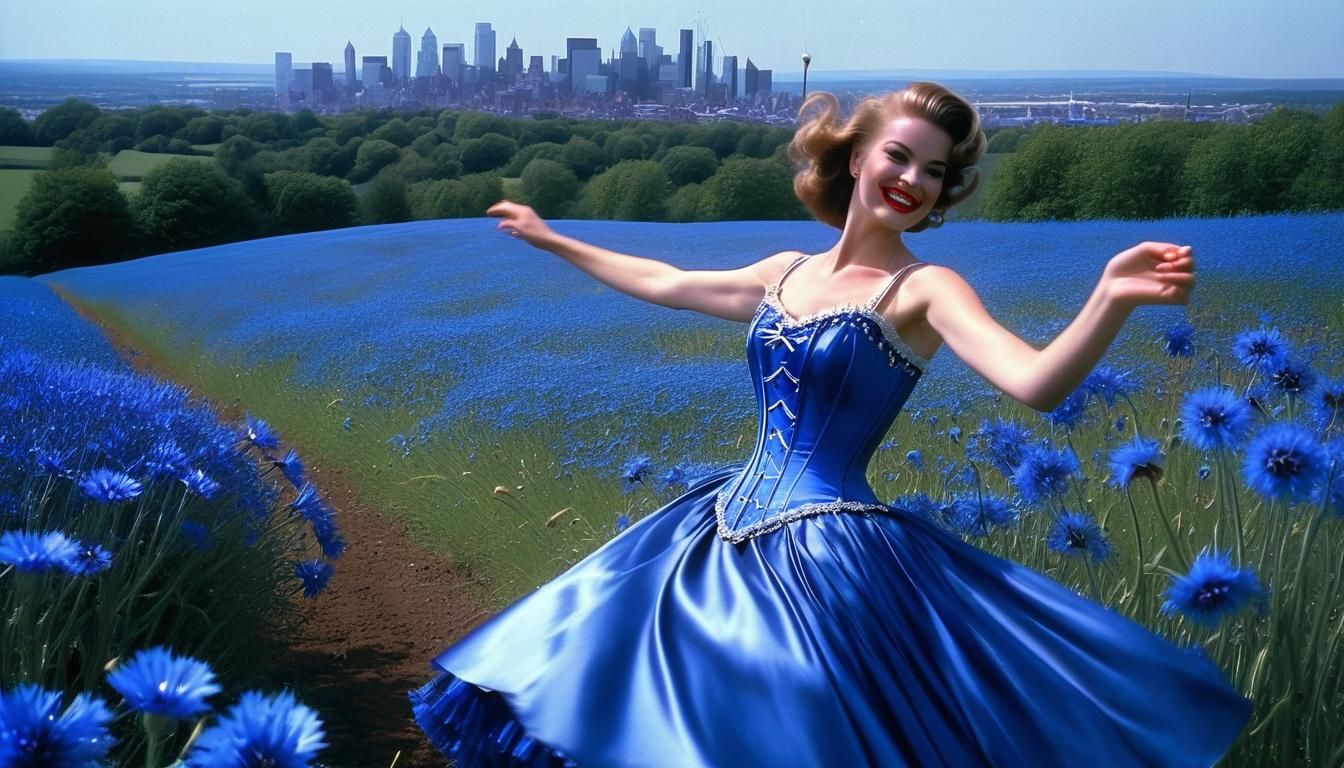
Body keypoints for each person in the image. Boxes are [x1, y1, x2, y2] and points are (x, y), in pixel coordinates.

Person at [409, 82, 1252, 767]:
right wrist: (554, 239)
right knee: (642, 703)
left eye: (935, 171)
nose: (914, 179)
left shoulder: (927, 290)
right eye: (900, 155)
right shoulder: (786, 272)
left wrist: (1107, 297)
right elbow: (664, 280)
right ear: (855, 156)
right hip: (717, 528)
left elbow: (1034, 382)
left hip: (833, 559)